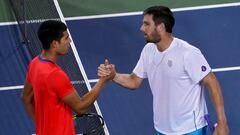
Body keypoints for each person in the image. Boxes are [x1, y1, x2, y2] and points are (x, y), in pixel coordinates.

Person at [98, 6, 229, 135]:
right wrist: (113, 76)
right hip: (162, 129)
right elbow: (134, 81)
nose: (141, 28)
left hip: (190, 129)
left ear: (160, 27)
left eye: (146, 24)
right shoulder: (148, 50)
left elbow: (212, 82)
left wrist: (222, 123)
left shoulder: (187, 53)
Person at [21, 20, 112, 135]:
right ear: (55, 43)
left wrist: (42, 125)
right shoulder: (55, 75)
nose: (70, 41)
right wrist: (103, 81)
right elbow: (80, 107)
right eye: (66, 38)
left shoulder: (35, 64)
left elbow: (25, 98)